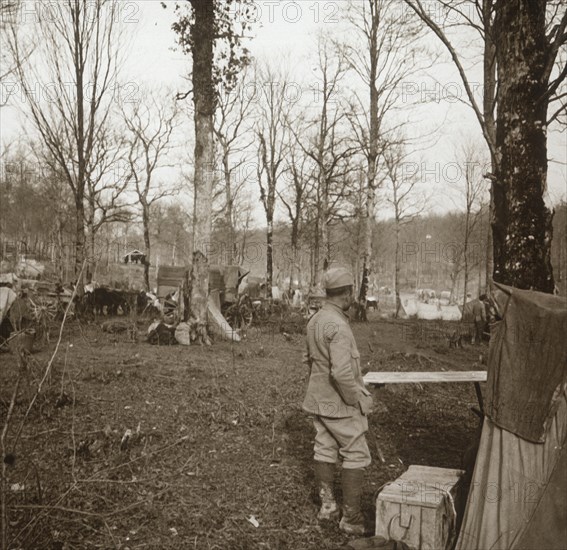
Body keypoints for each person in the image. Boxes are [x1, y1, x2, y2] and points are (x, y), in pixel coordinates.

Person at [302, 267, 373, 535]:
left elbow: (309, 362)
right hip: (340, 403)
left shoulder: (315, 320)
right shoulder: (340, 326)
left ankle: (328, 507)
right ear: (346, 293)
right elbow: (342, 373)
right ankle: (351, 518)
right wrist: (356, 400)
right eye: (352, 290)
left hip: (318, 399)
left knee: (324, 448)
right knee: (355, 452)